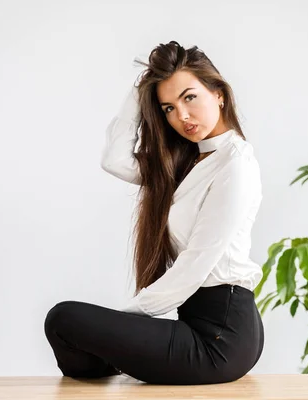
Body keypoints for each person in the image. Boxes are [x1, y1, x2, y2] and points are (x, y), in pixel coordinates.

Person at [44, 41, 264, 385]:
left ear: (218, 93)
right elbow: (114, 160)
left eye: (189, 97)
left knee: (63, 319)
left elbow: (194, 266)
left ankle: (111, 358)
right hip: (197, 324)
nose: (182, 117)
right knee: (68, 335)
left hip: (222, 339)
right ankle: (111, 362)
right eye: (168, 108)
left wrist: (121, 323)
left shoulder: (236, 165)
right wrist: (140, 91)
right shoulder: (185, 163)